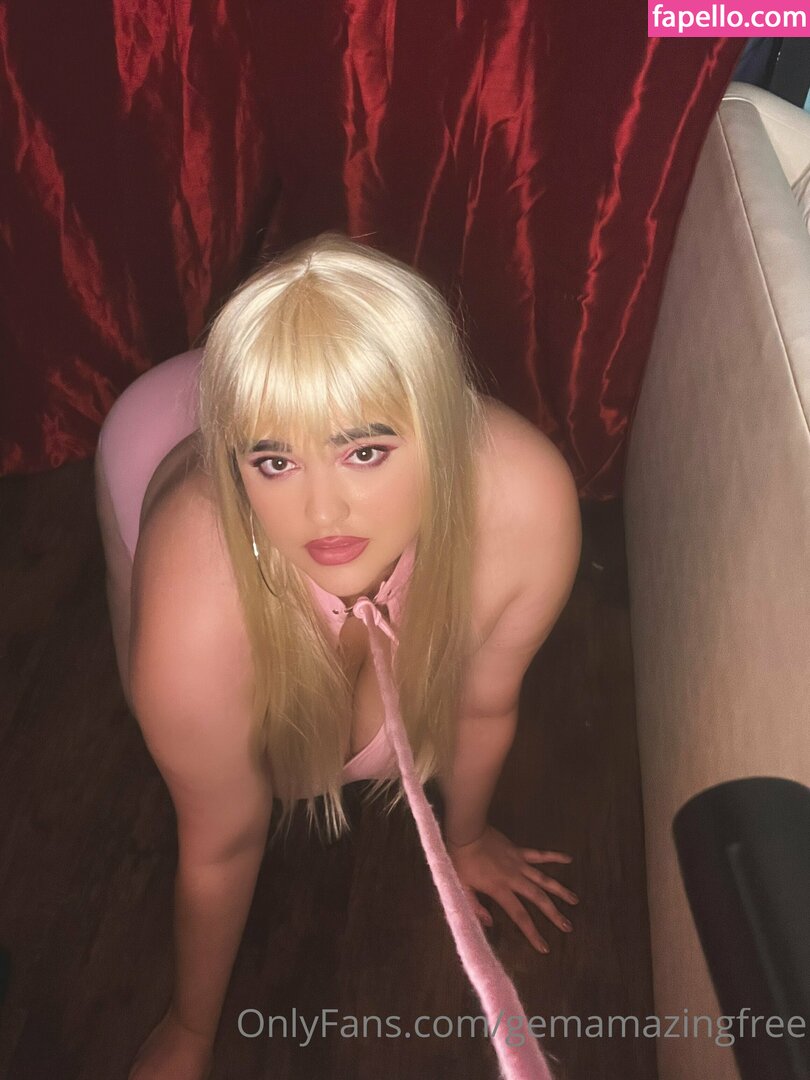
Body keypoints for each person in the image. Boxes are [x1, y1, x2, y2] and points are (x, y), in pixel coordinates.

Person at [95, 233, 582, 1080]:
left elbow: (485, 702)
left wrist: (466, 839)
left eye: (365, 452)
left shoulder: (526, 503)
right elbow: (220, 840)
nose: (322, 513)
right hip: (152, 438)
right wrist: (190, 1030)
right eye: (274, 462)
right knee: (165, 707)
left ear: (440, 427)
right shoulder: (195, 593)